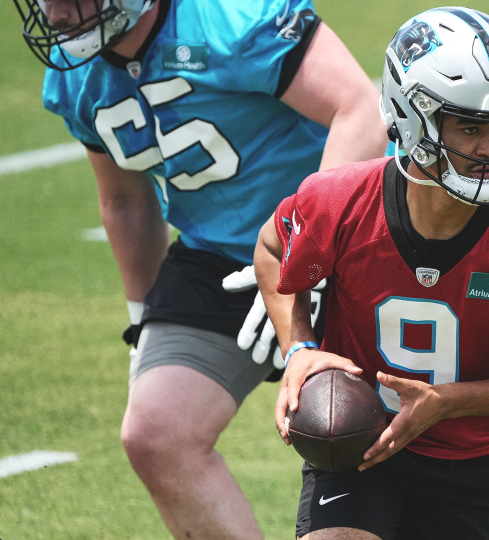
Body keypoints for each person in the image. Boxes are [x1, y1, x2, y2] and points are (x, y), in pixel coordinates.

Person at [254, 7, 489, 539]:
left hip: (470, 461)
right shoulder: (340, 200)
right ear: (409, 118)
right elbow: (274, 246)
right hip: (359, 442)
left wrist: (449, 403)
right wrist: (299, 346)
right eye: (471, 126)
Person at [15, 0, 387, 538]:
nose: (52, 11)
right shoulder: (75, 74)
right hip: (218, 255)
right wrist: (141, 323)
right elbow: (126, 202)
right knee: (157, 433)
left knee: (398, 447)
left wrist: (309, 253)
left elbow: (359, 109)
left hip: (346, 231)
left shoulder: (234, 19)